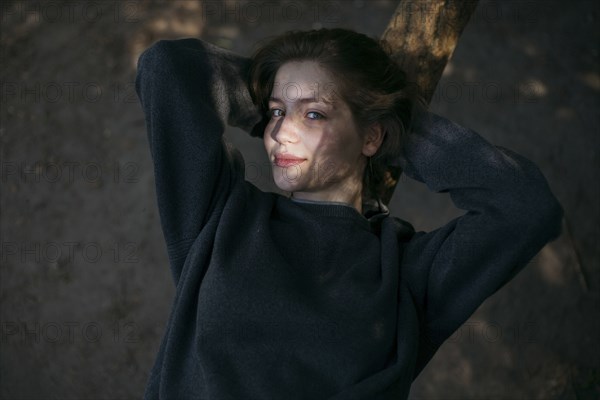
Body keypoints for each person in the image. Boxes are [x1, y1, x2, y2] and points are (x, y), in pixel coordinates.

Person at [135, 28, 563, 399]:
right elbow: (169, 69)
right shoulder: (221, 217)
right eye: (276, 113)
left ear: (371, 137)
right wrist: (294, 96)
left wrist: (389, 124)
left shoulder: (407, 274)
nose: (282, 132)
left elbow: (524, 205)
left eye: (314, 114)